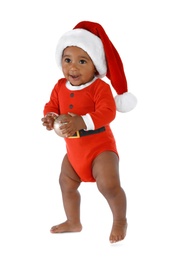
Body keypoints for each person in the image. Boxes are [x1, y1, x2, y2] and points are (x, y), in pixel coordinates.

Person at [41, 21, 137, 243]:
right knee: (66, 183)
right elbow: (52, 105)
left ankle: (120, 220)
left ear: (95, 66)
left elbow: (108, 112)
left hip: (100, 148)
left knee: (109, 186)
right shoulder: (59, 86)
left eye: (82, 61)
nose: (73, 67)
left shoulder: (99, 88)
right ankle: (73, 221)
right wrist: (50, 117)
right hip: (74, 151)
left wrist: (82, 122)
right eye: (68, 60)